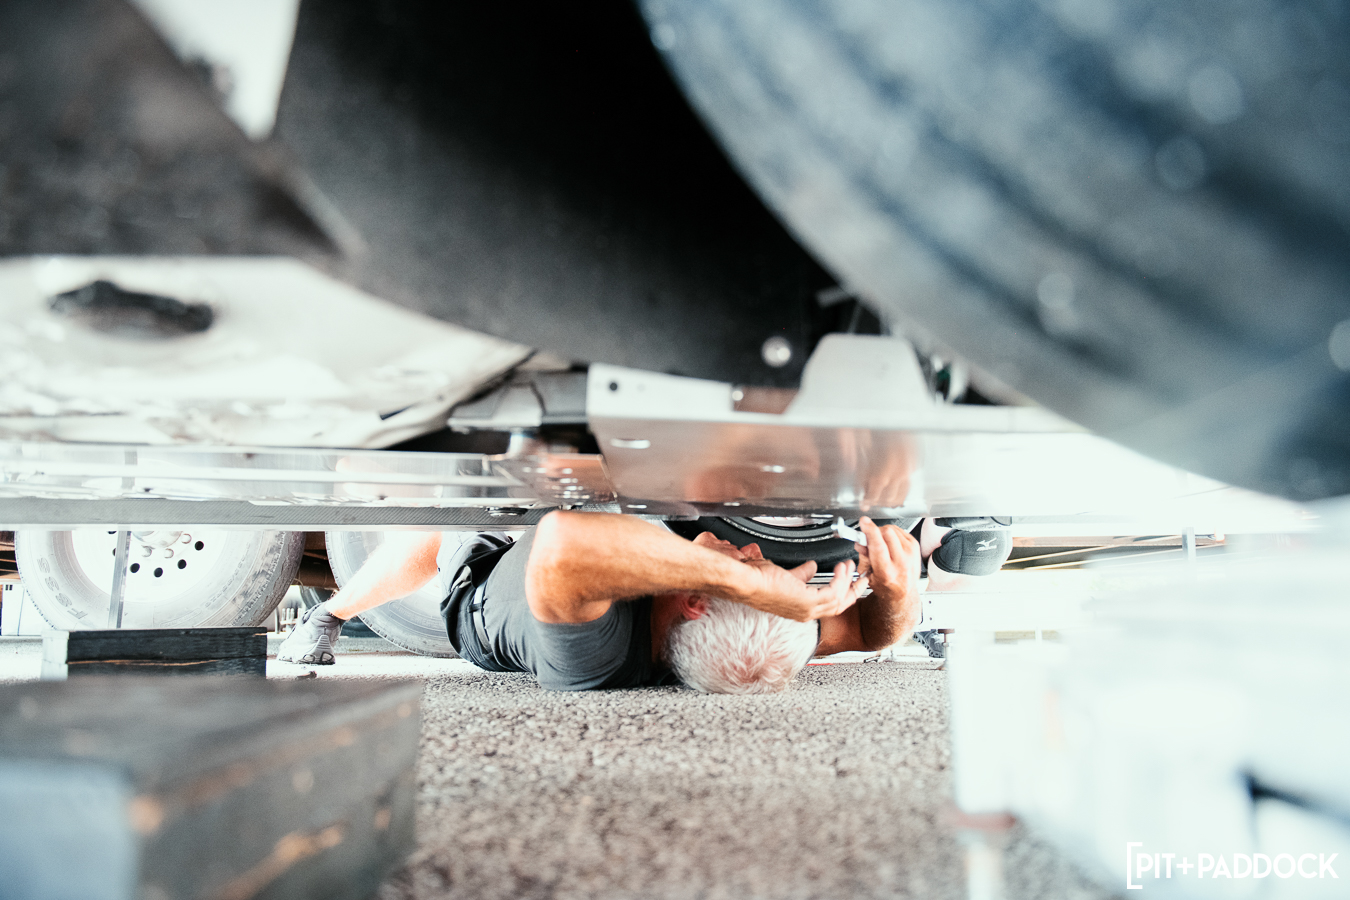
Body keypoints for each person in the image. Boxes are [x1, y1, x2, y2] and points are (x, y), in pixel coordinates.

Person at [277, 512, 921, 693]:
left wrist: (751, 584)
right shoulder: (758, 645)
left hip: (487, 594)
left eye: (745, 565)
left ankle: (326, 616)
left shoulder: (598, 660)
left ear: (697, 602)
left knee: (445, 526)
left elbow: (561, 540)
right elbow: (872, 635)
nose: (752, 551)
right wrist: (896, 589)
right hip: (606, 556)